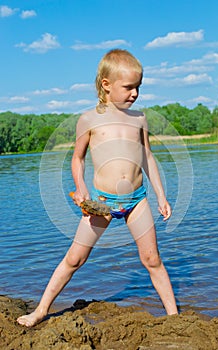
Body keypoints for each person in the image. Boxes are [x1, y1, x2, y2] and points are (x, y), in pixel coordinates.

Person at [17, 49, 178, 327]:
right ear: (106, 84)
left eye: (138, 87)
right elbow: (77, 159)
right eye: (129, 87)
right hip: (101, 202)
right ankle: (41, 310)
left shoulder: (139, 118)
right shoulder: (88, 120)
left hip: (137, 200)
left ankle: (174, 316)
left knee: (152, 259)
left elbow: (148, 157)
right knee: (75, 258)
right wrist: (81, 190)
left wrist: (162, 196)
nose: (135, 93)